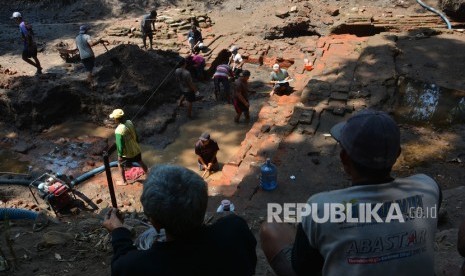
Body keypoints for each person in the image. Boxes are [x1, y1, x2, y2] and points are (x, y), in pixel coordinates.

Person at [260, 109, 442, 276]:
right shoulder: (428, 187)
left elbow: (303, 269)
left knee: (272, 228)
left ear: (344, 158)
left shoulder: (319, 208)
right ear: (397, 154)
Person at [103, 165, 257, 276]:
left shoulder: (140, 266)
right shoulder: (235, 229)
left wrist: (119, 232)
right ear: (203, 204)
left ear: (156, 224)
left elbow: (121, 264)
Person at [109, 109, 148, 185]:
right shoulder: (129, 122)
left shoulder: (118, 130)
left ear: (116, 119)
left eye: (114, 118)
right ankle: (149, 176)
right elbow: (136, 135)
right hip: (135, 148)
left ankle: (123, 181)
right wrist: (136, 142)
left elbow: (120, 146)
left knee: (120, 164)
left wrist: (120, 155)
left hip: (127, 153)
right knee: (140, 162)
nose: (113, 119)